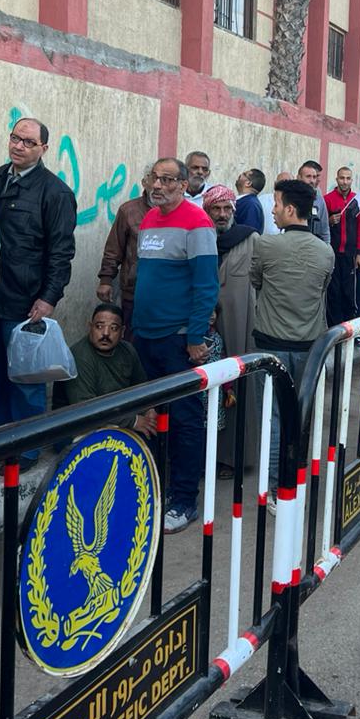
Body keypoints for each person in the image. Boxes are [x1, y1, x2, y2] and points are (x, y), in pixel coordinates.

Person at [0, 118, 77, 471]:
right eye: (15, 138)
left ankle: (27, 449)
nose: (19, 146)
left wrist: (49, 297)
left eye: (28, 142)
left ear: (43, 149)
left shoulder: (55, 192)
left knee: (26, 379)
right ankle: (1, 440)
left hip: (26, 302)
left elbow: (61, 252)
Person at [133, 157, 220, 533]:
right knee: (152, 416)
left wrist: (196, 336)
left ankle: (184, 500)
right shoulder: (149, 219)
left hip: (178, 339)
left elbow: (206, 285)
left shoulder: (197, 223)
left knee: (186, 419)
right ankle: (155, 488)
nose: (158, 185)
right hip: (145, 335)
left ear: (184, 185)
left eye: (168, 179)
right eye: (155, 178)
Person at [251, 179, 335, 485]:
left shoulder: (265, 245)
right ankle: (295, 479)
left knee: (272, 417)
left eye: (276, 204)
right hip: (309, 348)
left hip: (270, 346)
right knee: (302, 415)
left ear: (289, 209)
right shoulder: (326, 252)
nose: (272, 211)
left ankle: (275, 486)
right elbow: (322, 290)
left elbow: (256, 281)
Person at [203, 185, 259, 474]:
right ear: (207, 211)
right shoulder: (198, 237)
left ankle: (235, 457)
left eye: (227, 209)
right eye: (216, 208)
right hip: (203, 329)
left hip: (240, 327)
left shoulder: (250, 238)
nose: (222, 214)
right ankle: (201, 456)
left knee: (238, 386)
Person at [53, 303, 156, 435]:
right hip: (77, 425)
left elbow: (140, 387)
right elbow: (86, 409)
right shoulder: (79, 356)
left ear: (122, 332)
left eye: (113, 328)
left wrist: (148, 409)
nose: (106, 334)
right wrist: (133, 422)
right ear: (90, 327)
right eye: (99, 327)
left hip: (116, 416)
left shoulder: (128, 351)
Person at [96, 166, 153, 332]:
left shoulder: (177, 213)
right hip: (133, 290)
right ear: (144, 183)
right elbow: (114, 248)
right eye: (154, 178)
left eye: (164, 180)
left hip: (167, 293)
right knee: (131, 336)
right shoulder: (128, 211)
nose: (158, 185)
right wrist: (106, 280)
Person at [323, 166, 360, 325]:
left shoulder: (357, 200)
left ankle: (349, 327)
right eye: (342, 178)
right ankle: (333, 329)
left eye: (348, 178)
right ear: (337, 179)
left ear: (352, 180)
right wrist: (329, 221)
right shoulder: (327, 199)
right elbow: (321, 225)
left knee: (349, 293)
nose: (345, 182)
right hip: (332, 254)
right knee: (333, 293)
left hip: (350, 255)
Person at [297, 160, 330, 242]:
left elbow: (324, 229)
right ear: (299, 177)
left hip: (313, 246)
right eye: (308, 176)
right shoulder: (289, 197)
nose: (312, 180)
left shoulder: (319, 200)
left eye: (314, 177)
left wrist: (327, 246)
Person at [234, 168, 266, 233]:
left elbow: (249, 234)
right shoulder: (247, 202)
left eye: (244, 174)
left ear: (248, 183)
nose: (240, 175)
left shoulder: (251, 205)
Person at [259, 171, 289, 236]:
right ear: (275, 184)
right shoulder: (262, 200)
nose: (285, 186)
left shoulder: (296, 204)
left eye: (288, 182)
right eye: (282, 182)